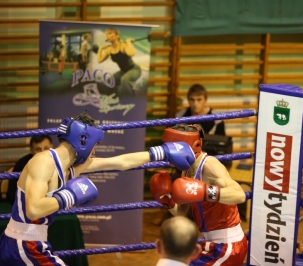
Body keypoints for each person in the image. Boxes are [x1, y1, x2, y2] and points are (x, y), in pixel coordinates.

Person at [0, 112, 196, 265]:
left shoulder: (71, 166)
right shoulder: (43, 162)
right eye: (95, 144)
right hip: (23, 244)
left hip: (32, 242)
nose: (95, 150)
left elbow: (120, 162)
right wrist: (69, 196)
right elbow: (33, 209)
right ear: (83, 140)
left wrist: (160, 153)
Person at [150, 124, 248, 265]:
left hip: (228, 245)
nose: (168, 156)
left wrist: (204, 192)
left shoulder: (209, 166)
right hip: (212, 244)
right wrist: (168, 201)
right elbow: (182, 212)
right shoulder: (186, 169)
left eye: (171, 150)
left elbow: (239, 195)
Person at [6, 136, 53, 205]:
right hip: (28, 207)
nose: (43, 153)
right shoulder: (22, 165)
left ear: (52, 147)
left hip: (53, 206)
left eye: (46, 148)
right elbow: (11, 194)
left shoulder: (59, 162)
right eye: (38, 149)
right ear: (31, 150)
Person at [97, 28, 142, 97]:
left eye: (110, 33)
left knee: (124, 79)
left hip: (134, 69)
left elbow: (132, 53)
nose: (107, 36)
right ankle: (113, 98)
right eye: (106, 34)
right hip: (123, 71)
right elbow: (99, 60)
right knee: (110, 81)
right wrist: (100, 49)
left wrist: (128, 42)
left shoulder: (123, 45)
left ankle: (128, 100)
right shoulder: (109, 50)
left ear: (117, 35)